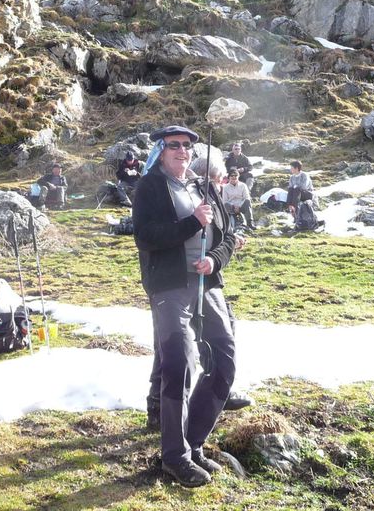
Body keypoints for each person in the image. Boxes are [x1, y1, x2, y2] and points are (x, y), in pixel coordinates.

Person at [133, 125, 237, 488]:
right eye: (174, 145)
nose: (181, 151)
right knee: (180, 363)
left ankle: (194, 444)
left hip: (207, 285)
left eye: (187, 146)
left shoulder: (203, 187)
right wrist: (192, 223)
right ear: (161, 151)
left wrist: (215, 259)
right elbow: (146, 237)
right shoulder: (150, 187)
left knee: (224, 361)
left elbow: (226, 237)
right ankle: (174, 457)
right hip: (170, 286)